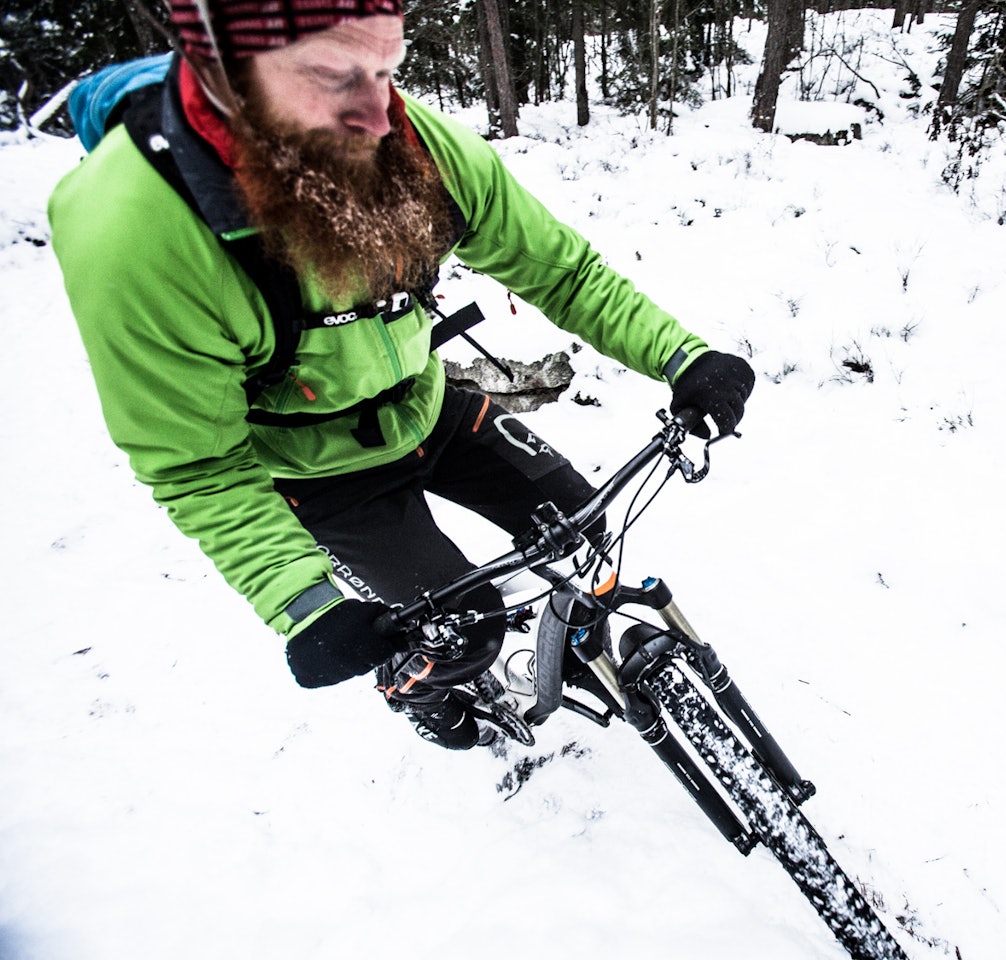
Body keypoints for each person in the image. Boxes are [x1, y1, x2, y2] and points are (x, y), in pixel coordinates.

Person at [48, 0, 753, 750]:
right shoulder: (136, 230)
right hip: (319, 471)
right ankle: (421, 696)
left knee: (582, 525)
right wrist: (304, 602)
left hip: (427, 404)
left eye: (387, 69)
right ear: (227, 72)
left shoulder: (420, 148)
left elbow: (563, 273)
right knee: (465, 632)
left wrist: (682, 357)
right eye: (332, 75)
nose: (382, 117)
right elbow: (197, 466)